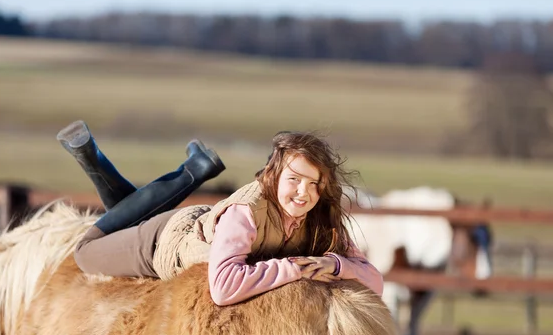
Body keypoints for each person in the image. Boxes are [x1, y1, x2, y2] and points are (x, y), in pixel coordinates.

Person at [57, 121, 383, 306]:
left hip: (207, 223)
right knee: (86, 251)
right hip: (163, 242)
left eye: (314, 184)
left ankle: (195, 166)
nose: (304, 192)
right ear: (273, 175)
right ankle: (186, 171)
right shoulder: (247, 211)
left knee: (126, 212)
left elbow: (375, 282)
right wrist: (296, 268)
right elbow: (224, 288)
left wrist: (335, 264)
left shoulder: (321, 217)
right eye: (294, 179)